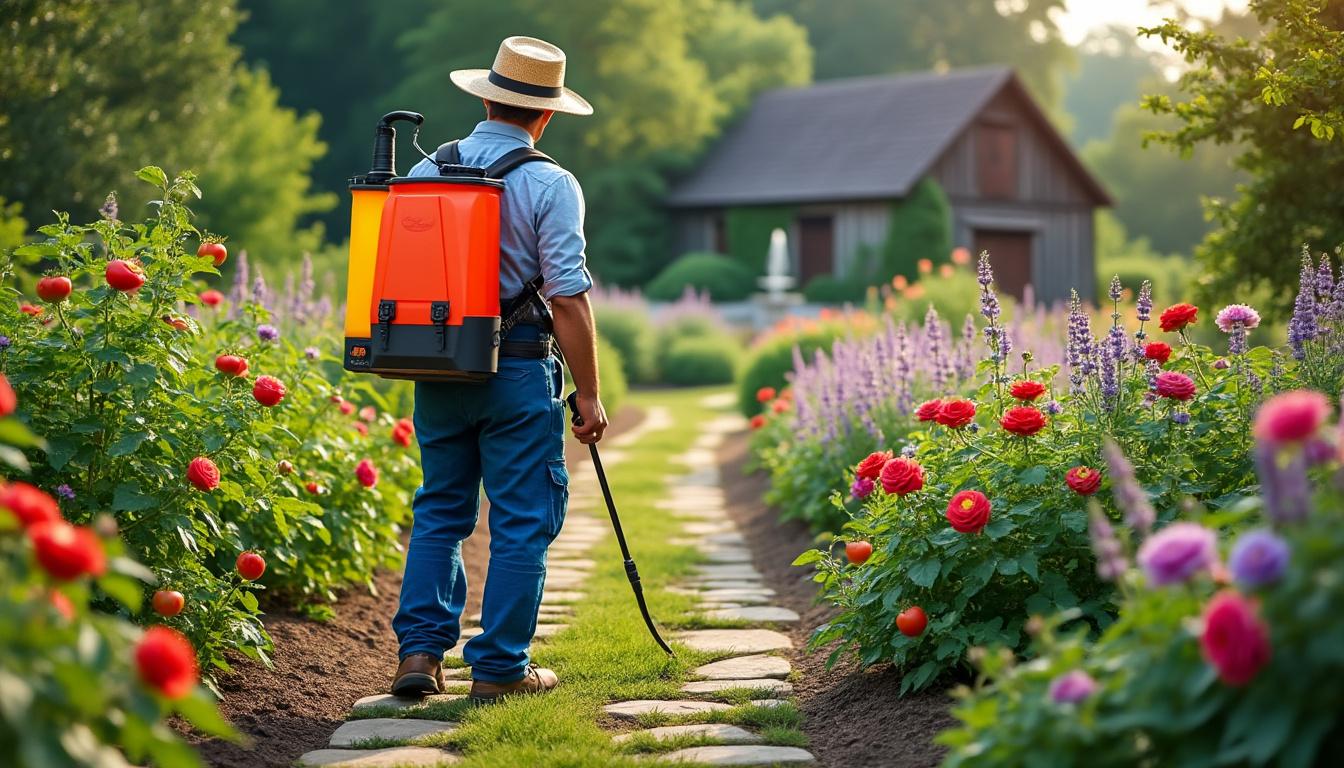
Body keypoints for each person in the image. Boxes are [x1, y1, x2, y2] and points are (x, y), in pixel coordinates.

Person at [390, 35, 608, 703]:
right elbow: (566, 297)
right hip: (516, 371)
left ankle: (420, 657)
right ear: (545, 116)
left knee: (439, 509)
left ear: (486, 97)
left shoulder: (426, 173)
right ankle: (500, 669)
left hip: (438, 367)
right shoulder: (550, 182)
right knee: (521, 517)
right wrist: (591, 397)